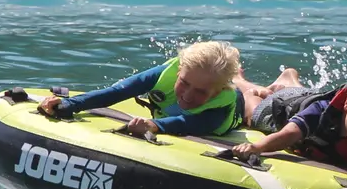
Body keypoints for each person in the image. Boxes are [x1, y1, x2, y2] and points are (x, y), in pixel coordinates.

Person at [225, 72, 347, 185]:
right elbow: (289, 134)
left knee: (303, 94)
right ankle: (243, 82)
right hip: (283, 105)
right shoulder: (321, 112)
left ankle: (289, 78)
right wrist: (257, 148)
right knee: (253, 114)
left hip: (306, 96)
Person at [38, 40, 244, 137]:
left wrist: (154, 125)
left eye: (201, 91)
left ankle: (247, 86)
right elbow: (118, 91)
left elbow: (189, 123)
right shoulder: (165, 73)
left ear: (217, 92)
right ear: (179, 70)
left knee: (252, 105)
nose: (188, 96)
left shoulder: (221, 104)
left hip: (239, 110)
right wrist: (71, 103)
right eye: (185, 83)